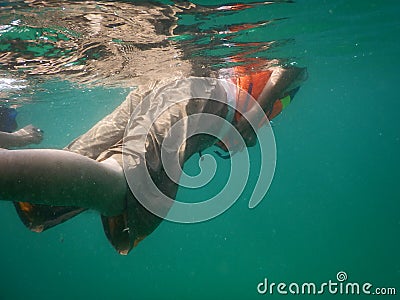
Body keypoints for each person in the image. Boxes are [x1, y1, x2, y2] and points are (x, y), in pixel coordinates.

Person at [0, 63, 306, 254]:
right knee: (128, 181)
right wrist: (250, 122)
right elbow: (288, 69)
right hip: (205, 97)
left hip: (167, 79)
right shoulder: (288, 65)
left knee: (81, 156)